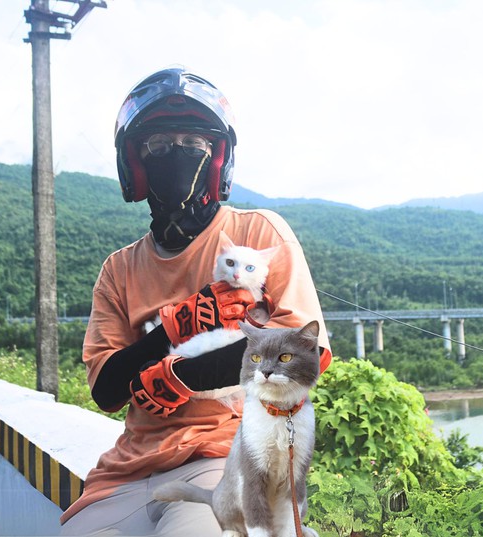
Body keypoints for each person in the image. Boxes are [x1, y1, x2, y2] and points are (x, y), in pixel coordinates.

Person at [60, 67, 332, 536]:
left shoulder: (255, 237)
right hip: (126, 471)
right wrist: (172, 331)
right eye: (160, 146)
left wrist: (178, 375)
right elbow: (106, 387)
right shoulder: (119, 269)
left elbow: (307, 351)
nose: (177, 155)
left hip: (227, 457)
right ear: (137, 163)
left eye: (193, 145)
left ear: (216, 157)